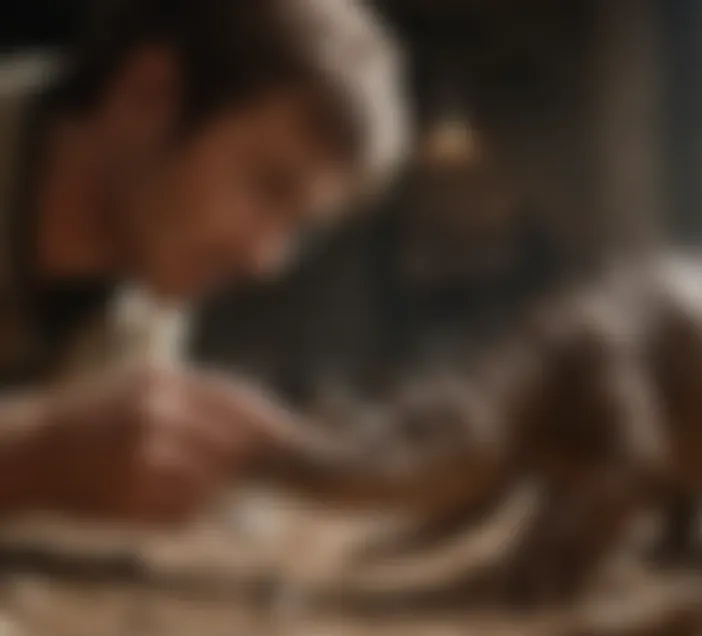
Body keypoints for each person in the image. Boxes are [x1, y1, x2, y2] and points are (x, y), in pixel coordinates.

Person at [0, 0, 408, 524]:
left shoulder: (139, 292)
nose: (265, 258)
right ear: (147, 95)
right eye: (267, 186)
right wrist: (30, 456)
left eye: (299, 224)